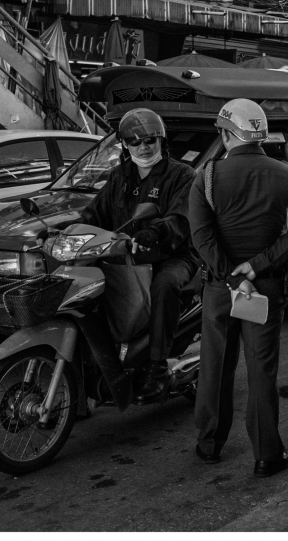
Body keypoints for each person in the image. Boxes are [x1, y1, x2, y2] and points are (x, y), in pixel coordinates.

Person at [188, 98, 288, 476]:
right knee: (261, 370)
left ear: (227, 134)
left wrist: (230, 275)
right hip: (265, 289)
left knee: (214, 367)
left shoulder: (206, 177)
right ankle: (266, 455)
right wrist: (256, 267)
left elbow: (201, 239)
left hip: (219, 290)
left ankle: (209, 445)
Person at [80, 108, 198, 403]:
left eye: (149, 140)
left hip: (174, 255)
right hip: (126, 255)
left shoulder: (182, 174)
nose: (143, 147)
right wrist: (63, 231)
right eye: (135, 142)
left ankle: (157, 367)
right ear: (125, 145)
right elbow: (95, 214)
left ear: (161, 141)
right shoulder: (119, 176)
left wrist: (157, 232)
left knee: (164, 285)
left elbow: (182, 219)